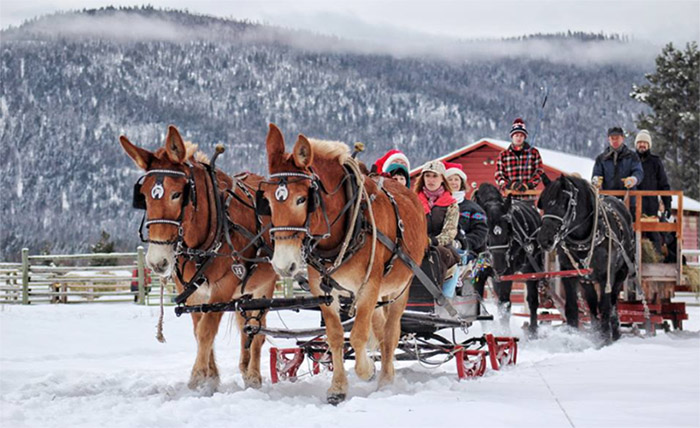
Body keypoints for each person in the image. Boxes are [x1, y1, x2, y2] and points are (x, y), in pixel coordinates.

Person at [415, 160, 460, 298]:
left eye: (435, 176)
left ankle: (443, 299)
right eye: (427, 176)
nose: (431, 180)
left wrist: (431, 241)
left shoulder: (451, 205)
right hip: (415, 244)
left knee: (444, 259)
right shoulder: (413, 201)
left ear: (442, 179)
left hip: (441, 246)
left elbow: (450, 231)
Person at [592, 127, 644, 216]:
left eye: (617, 138)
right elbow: (596, 174)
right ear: (609, 139)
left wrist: (633, 179)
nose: (615, 141)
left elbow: (639, 172)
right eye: (612, 138)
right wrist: (596, 181)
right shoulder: (601, 159)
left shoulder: (632, 156)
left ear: (622, 138)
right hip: (606, 202)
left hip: (629, 201)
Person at [635, 130, 672, 254]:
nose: (642, 145)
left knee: (654, 234)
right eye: (640, 142)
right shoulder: (630, 161)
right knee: (633, 233)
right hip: (633, 204)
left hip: (651, 205)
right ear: (636, 144)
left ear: (649, 145)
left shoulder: (655, 162)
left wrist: (667, 205)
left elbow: (664, 184)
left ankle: (657, 259)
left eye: (645, 142)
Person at [494, 118, 544, 201]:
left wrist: (528, 185)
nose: (519, 138)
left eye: (521, 136)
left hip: (528, 198)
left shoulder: (533, 153)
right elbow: (498, 175)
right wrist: (511, 185)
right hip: (509, 198)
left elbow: (539, 172)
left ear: (524, 137)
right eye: (516, 135)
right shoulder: (503, 155)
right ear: (512, 137)